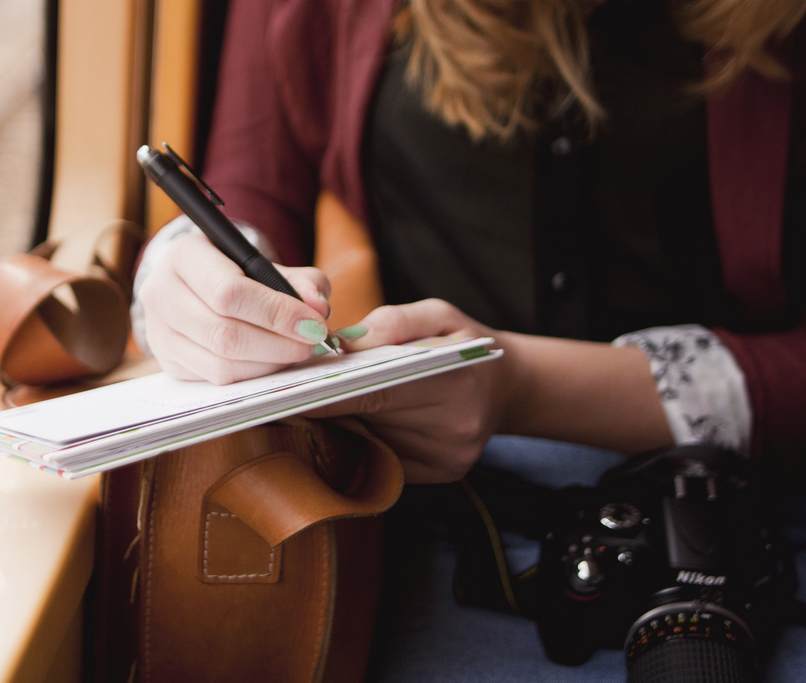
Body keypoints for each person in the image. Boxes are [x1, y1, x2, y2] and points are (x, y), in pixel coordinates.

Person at [132, 0, 806, 679]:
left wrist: (523, 385)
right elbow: (251, 186)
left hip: (765, 517)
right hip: (441, 519)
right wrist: (188, 284)